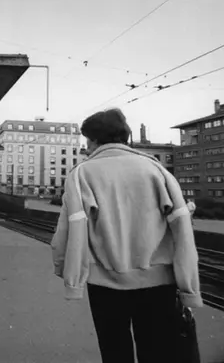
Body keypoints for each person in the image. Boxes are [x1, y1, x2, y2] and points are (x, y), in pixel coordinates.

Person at [51, 108, 202, 363]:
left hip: (106, 285)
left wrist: (66, 272)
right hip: (158, 285)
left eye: (88, 140)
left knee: (114, 351)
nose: (87, 147)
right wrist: (189, 287)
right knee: (154, 352)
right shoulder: (157, 170)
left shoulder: (82, 174)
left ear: (95, 139)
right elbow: (182, 229)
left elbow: (69, 230)